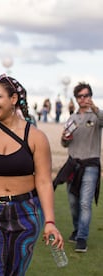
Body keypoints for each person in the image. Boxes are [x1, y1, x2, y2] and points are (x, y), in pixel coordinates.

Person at [0, 74, 64, 275]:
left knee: (14, 272)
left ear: (13, 99)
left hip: (25, 213)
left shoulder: (36, 137)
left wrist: (50, 222)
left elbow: (43, 182)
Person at [53, 82, 103, 253]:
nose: (83, 99)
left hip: (91, 164)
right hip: (73, 164)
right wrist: (65, 138)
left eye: (86, 95)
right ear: (76, 99)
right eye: (80, 96)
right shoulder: (72, 119)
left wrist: (95, 108)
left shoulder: (96, 115)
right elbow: (64, 144)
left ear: (90, 96)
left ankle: (82, 237)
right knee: (73, 202)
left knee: (85, 202)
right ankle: (77, 229)